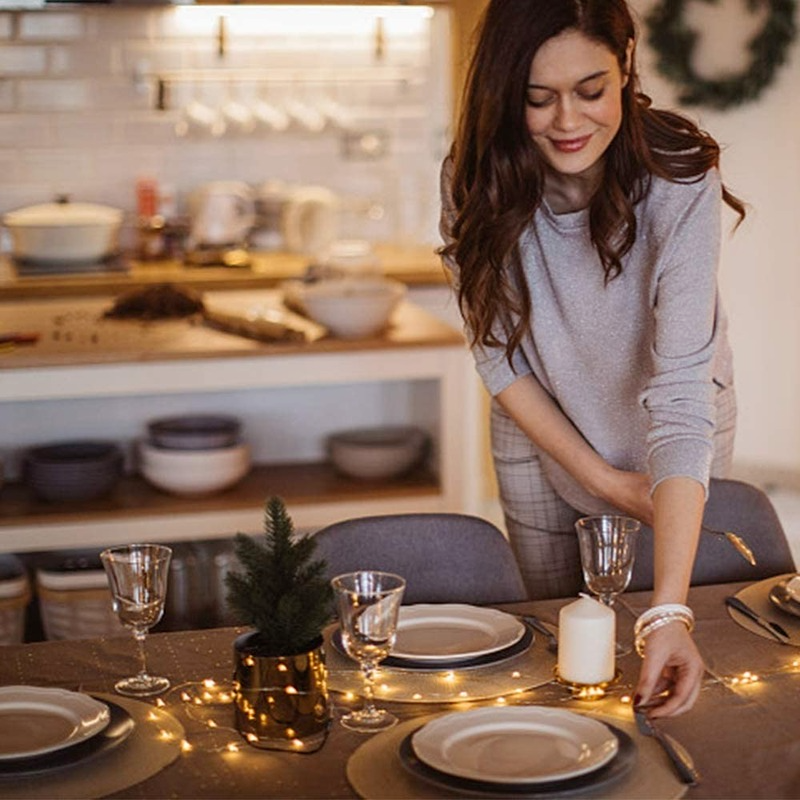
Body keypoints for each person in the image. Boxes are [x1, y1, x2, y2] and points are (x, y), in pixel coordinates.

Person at [439, 0, 745, 718]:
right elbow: (497, 358)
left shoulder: (679, 178)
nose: (568, 122)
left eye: (591, 90)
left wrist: (669, 615)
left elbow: (680, 393)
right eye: (537, 99)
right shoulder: (473, 178)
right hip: (540, 427)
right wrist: (602, 479)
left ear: (627, 66)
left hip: (674, 433)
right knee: (559, 647)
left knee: (665, 633)